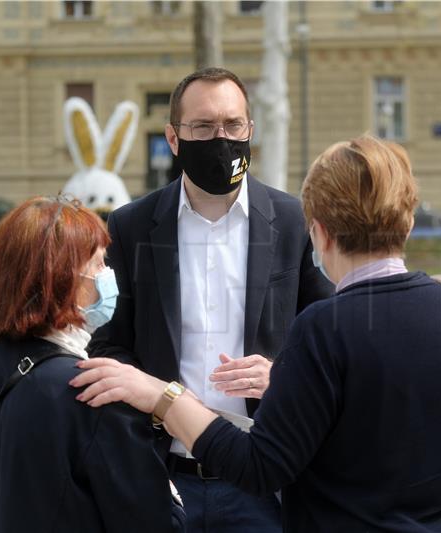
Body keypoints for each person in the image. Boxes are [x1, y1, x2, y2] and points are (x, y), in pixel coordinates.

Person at [72, 135, 441, 532]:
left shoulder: (324, 330)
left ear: (318, 233)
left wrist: (164, 397)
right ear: (410, 221)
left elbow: (259, 467)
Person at [87, 67, 333, 531]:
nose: (220, 139)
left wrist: (283, 375)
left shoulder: (294, 221)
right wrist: (153, 401)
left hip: (266, 478)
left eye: (232, 125)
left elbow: (330, 339)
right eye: (202, 127)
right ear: (174, 138)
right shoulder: (132, 226)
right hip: (163, 476)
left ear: (250, 132)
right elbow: (108, 345)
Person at [0, 196, 185, 533]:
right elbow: (158, 523)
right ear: (63, 279)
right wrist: (170, 492)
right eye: (98, 264)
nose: (108, 275)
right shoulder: (96, 388)